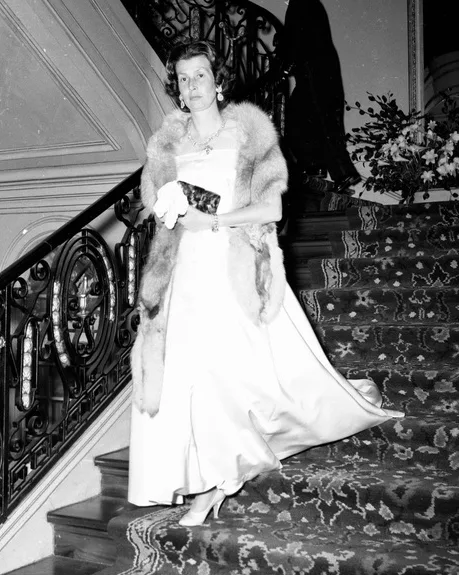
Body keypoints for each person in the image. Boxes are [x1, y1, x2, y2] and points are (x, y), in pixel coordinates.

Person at [128, 41, 403, 527]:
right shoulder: (165, 144)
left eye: (200, 75)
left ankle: (216, 483)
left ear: (219, 81)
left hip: (233, 265)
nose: (192, 86)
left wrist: (214, 220)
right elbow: (155, 205)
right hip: (182, 273)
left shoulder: (250, 135)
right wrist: (171, 208)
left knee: (230, 376)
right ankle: (206, 482)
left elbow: (272, 209)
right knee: (184, 377)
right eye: (183, 79)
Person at [281, 0, 360, 192]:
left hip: (313, 73)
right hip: (322, 71)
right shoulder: (310, 3)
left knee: (311, 120)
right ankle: (321, 168)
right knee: (311, 120)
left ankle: (339, 171)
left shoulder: (299, 4)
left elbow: (295, 39)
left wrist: (285, 66)